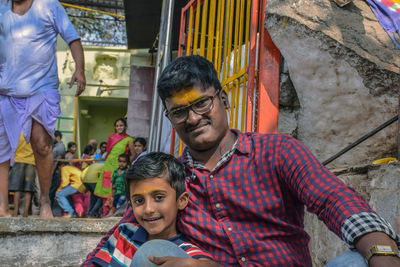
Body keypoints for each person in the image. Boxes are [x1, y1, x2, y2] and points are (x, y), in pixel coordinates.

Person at [84, 56, 400, 267]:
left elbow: (332, 197)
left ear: (223, 99)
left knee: (362, 259)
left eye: (201, 103)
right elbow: (131, 223)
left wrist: (381, 248)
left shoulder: (277, 151)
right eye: (180, 111)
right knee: (150, 253)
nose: (193, 118)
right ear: (170, 119)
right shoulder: (171, 179)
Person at [0, 0, 85, 217]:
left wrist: (80, 69)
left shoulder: (49, 6)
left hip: (42, 88)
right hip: (5, 89)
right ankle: (2, 207)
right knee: (1, 150)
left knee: (42, 145)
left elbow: (72, 38)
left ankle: (45, 201)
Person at [88, 152, 218, 267]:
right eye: (139, 201)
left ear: (181, 201)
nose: (148, 209)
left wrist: (194, 264)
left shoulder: (186, 254)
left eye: (159, 197)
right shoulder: (124, 234)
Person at [93, 118, 133, 211]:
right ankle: (105, 214)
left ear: (125, 127)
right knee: (105, 191)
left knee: (117, 191)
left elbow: (133, 154)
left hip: (119, 169)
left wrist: (125, 164)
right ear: (115, 127)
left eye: (121, 125)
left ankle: (113, 213)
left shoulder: (129, 139)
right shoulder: (111, 137)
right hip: (107, 167)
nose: (119, 127)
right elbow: (108, 153)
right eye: (117, 126)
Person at [8, 134, 36, 217]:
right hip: (31, 163)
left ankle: (15, 212)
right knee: (28, 189)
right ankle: (25, 213)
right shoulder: (32, 135)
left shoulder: (17, 134)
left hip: (18, 161)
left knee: (17, 189)